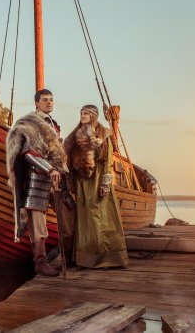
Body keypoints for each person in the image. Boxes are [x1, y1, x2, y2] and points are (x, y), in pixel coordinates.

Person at [6, 89, 69, 277]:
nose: (49, 103)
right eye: (45, 100)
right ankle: (41, 263)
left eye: (51, 100)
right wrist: (49, 169)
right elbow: (28, 153)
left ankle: (70, 255)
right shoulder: (30, 123)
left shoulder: (53, 125)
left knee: (68, 215)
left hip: (55, 179)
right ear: (36, 103)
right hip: (38, 178)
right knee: (38, 224)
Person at [63, 105, 128, 269]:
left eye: (86, 113)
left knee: (100, 219)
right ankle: (86, 259)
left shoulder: (104, 134)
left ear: (93, 116)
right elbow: (68, 157)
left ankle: (106, 258)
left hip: (98, 180)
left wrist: (106, 183)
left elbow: (108, 161)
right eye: (81, 113)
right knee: (85, 221)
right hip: (82, 182)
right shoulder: (75, 135)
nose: (82, 115)